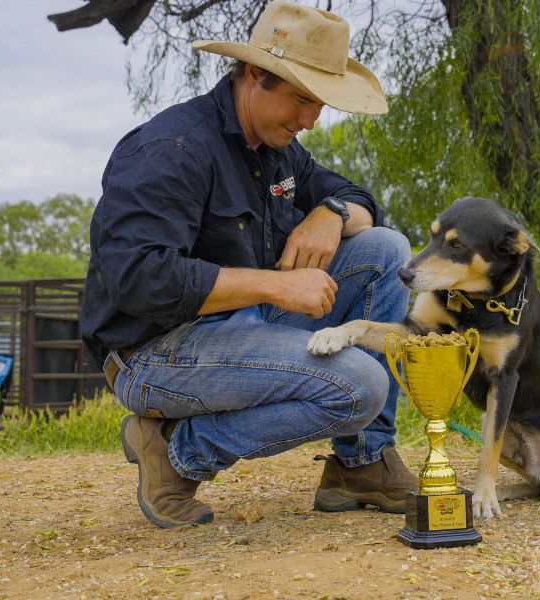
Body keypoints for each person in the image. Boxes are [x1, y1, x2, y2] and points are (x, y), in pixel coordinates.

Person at [80, 0, 416, 529]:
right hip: (153, 352)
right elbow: (139, 279)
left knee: (387, 250)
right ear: (256, 74)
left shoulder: (278, 148)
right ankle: (176, 450)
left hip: (243, 328)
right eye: (303, 100)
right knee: (360, 385)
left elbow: (355, 196)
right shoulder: (173, 149)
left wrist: (329, 213)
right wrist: (276, 288)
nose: (311, 120)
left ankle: (361, 464)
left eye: (321, 103)